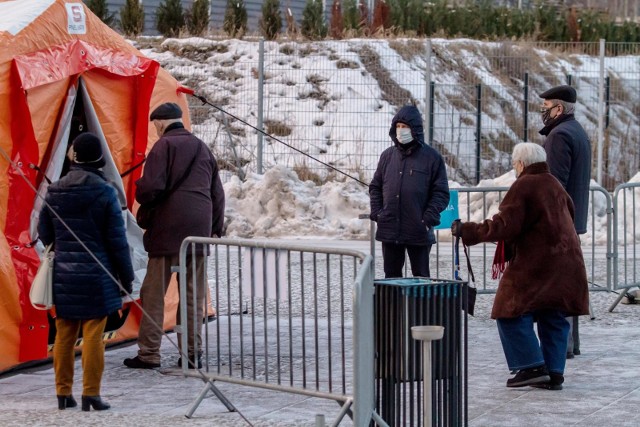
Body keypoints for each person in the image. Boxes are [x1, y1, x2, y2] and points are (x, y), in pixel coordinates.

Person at [451, 143, 589, 391]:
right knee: (554, 314)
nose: (514, 169)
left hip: (538, 264)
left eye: (515, 164)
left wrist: (467, 231)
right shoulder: (554, 184)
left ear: (521, 164)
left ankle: (531, 366)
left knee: (508, 310)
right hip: (568, 263)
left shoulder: (524, 185)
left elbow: (505, 225)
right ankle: (554, 371)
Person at [124, 102, 225, 370]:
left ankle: (149, 354)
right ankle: (192, 354)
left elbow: (150, 189)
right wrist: (214, 228)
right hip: (198, 233)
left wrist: (139, 189)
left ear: (159, 123)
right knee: (193, 294)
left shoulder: (163, 146)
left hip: (168, 231)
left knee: (154, 292)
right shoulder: (203, 148)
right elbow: (217, 193)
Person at [38, 133, 134, 411]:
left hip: (65, 274)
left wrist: (64, 247)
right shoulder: (105, 191)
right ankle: (91, 394)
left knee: (64, 334)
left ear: (75, 157)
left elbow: (44, 232)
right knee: (93, 334)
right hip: (98, 274)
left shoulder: (55, 189)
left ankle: (62, 393)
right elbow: (118, 241)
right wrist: (126, 278)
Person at [539, 85, 591, 359]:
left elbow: (553, 184)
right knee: (568, 283)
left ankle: (563, 344)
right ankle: (571, 341)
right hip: (572, 220)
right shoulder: (577, 131)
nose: (543, 113)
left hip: (559, 223)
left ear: (559, 109)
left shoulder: (559, 136)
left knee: (558, 286)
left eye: (546, 107)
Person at [369, 105, 449, 278]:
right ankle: (392, 307)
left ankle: (419, 307)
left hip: (418, 230)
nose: (400, 130)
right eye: (398, 126)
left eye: (404, 126)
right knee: (391, 279)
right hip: (389, 229)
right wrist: (377, 212)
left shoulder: (432, 158)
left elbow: (441, 193)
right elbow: (375, 186)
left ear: (415, 129)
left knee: (420, 279)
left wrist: (427, 218)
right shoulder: (387, 156)